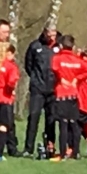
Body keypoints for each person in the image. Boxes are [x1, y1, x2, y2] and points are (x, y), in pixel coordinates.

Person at [22, 22, 60, 157]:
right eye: (49, 34)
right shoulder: (35, 46)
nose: (52, 37)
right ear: (44, 32)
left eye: (54, 34)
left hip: (54, 89)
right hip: (38, 88)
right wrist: (35, 79)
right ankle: (28, 148)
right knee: (33, 117)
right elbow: (28, 65)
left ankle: (50, 147)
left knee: (51, 119)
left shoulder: (59, 46)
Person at [51, 35, 87, 159]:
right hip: (73, 94)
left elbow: (54, 68)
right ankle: (76, 152)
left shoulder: (57, 58)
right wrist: (77, 79)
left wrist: (61, 78)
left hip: (61, 93)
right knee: (74, 123)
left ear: (61, 46)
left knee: (63, 124)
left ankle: (63, 152)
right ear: (73, 47)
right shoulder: (77, 61)